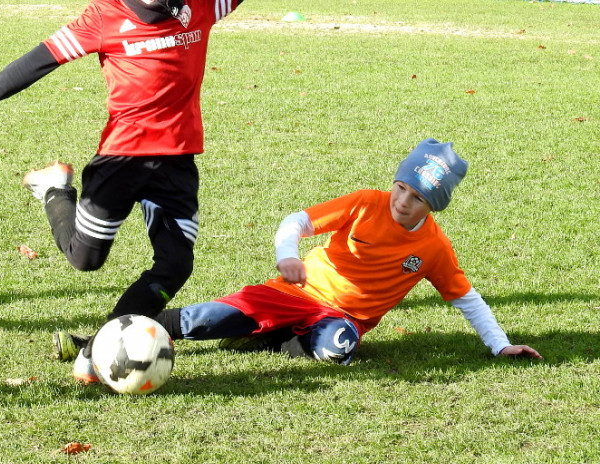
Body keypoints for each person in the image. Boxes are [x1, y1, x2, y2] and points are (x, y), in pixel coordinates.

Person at [0, 0, 302, 382]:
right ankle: (55, 187)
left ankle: (99, 349)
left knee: (176, 263)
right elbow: (44, 57)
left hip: (176, 162)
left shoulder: (200, 5)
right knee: (85, 259)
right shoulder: (104, 17)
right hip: (121, 159)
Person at [151, 139, 542, 365]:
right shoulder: (365, 203)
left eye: (418, 197)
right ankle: (123, 332)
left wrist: (501, 344)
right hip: (296, 292)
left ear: (434, 205)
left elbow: (467, 299)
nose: (403, 201)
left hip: (347, 317)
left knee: (336, 351)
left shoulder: (433, 248)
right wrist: (287, 255)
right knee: (203, 320)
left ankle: (272, 338)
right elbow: (296, 221)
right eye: (401, 187)